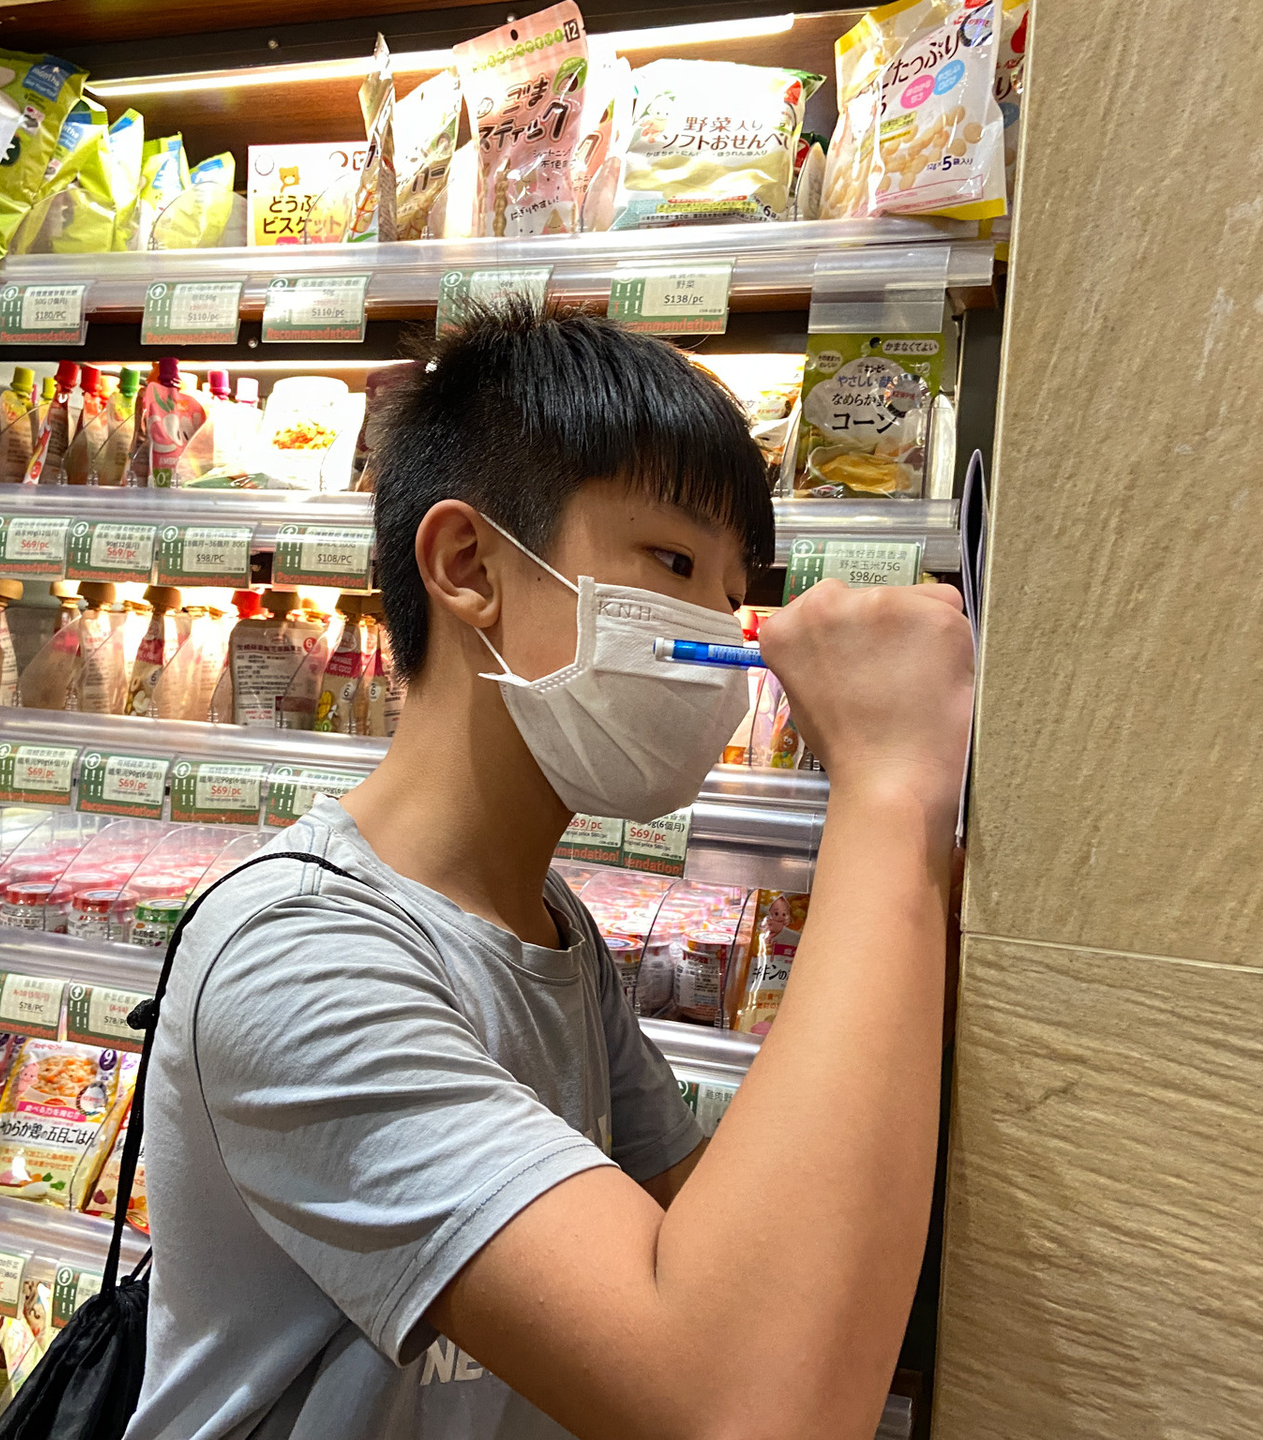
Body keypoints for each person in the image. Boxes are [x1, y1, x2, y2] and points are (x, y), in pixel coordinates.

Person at [130, 304, 975, 1440]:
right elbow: (740, 1402)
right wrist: (887, 788)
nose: (730, 640)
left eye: (734, 590)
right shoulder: (298, 954)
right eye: (673, 563)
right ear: (468, 565)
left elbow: (730, 1260)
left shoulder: (546, 923)